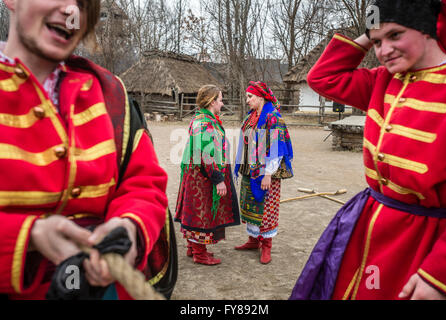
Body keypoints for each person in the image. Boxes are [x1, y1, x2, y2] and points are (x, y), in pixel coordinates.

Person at [0, 0, 169, 299]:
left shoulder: (110, 94)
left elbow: (144, 184)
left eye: (83, 3)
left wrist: (128, 227)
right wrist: (27, 237)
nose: (72, 11)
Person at [290, 0, 446, 300]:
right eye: (377, 42)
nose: (384, 50)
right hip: (369, 227)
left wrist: (440, 275)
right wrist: (373, 28)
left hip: (425, 244)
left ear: (427, 29)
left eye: (395, 35)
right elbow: (322, 78)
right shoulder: (383, 81)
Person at [175, 85, 240, 265]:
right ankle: (199, 253)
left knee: (195, 211)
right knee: (200, 213)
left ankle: (193, 247)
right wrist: (218, 180)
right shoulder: (205, 123)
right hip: (202, 177)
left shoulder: (204, 119)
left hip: (197, 175)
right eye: (220, 99)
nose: (222, 102)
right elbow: (204, 154)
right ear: (212, 102)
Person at [234, 81, 293, 264]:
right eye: (247, 97)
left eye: (250, 97)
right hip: (250, 169)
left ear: (260, 97)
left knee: (266, 209)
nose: (247, 100)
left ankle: (266, 245)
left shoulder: (273, 117)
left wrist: (267, 174)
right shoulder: (251, 116)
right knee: (251, 205)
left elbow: (276, 148)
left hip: (266, 172)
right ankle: (253, 240)